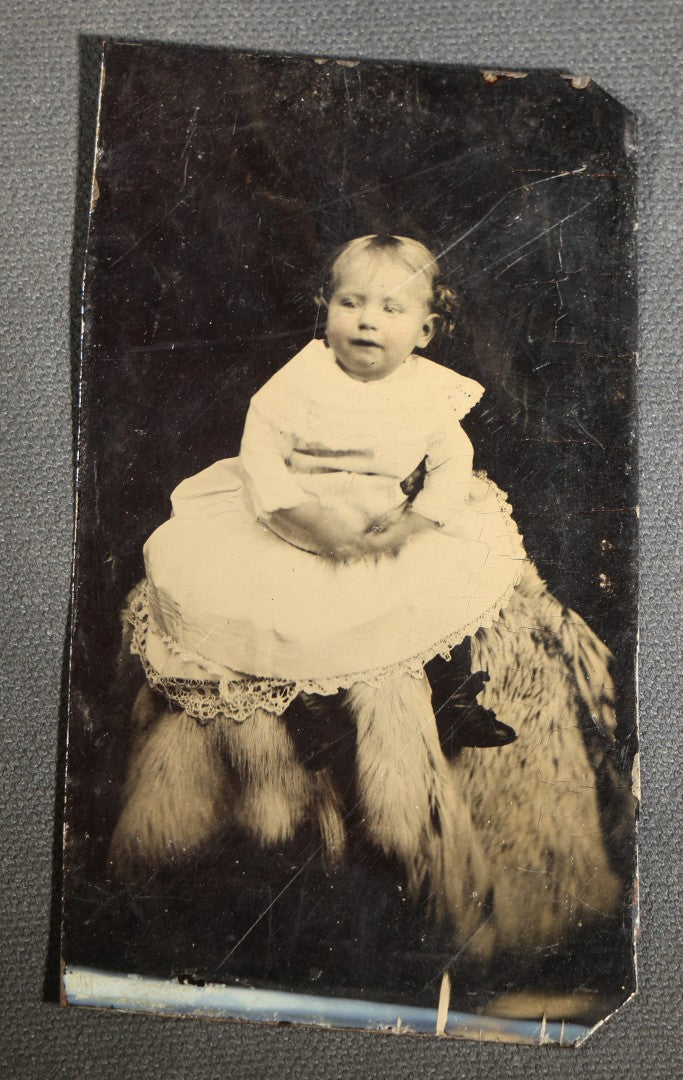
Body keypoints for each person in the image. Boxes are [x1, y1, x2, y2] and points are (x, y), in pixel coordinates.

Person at [129, 234, 526, 745]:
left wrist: (414, 523)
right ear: (327, 307)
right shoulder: (301, 382)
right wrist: (310, 519)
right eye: (351, 303)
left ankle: (455, 701)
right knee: (284, 620)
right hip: (294, 531)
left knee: (446, 591)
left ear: (425, 331)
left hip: (385, 525)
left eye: (391, 309)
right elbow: (261, 458)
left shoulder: (426, 391)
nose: (367, 321)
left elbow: (453, 462)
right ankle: (312, 714)